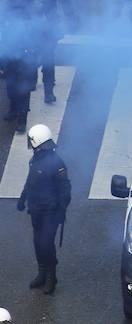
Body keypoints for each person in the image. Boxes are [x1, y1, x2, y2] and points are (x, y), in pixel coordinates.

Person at [17, 123, 68, 295]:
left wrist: (61, 211)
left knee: (46, 244)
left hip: (50, 212)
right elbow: (30, 181)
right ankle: (42, 273)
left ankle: (51, 277)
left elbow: (64, 190)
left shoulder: (56, 163)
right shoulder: (36, 159)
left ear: (38, 141)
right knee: (38, 243)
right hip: (36, 209)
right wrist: (23, 198)